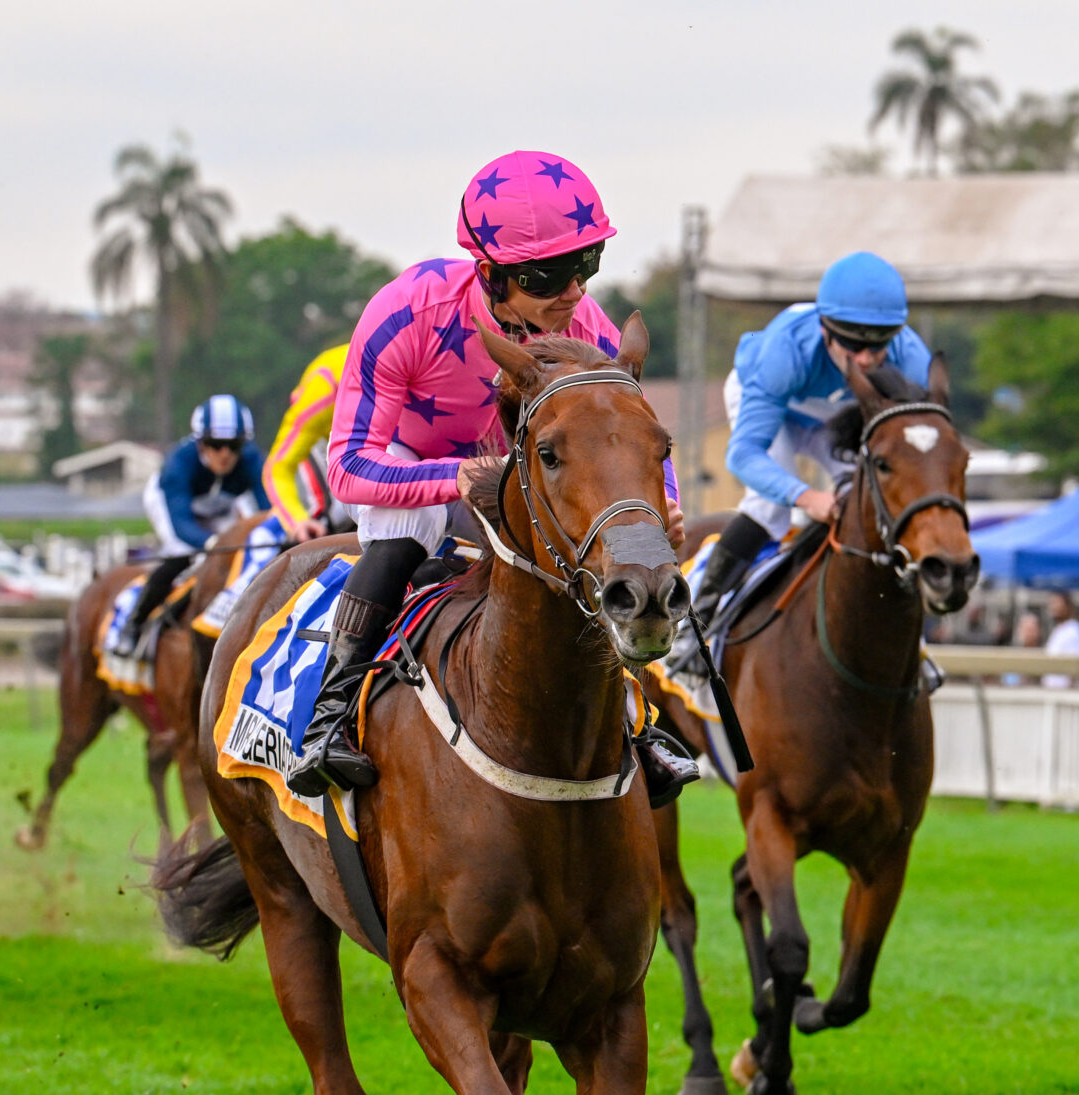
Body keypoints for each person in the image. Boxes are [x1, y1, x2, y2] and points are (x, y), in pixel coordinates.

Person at [286, 149, 694, 801]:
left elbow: (630, 440)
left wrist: (664, 504)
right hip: (415, 467)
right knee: (408, 529)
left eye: (586, 265)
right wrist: (458, 476)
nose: (574, 292)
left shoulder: (586, 328)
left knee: (587, 552)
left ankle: (637, 721)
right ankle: (331, 713)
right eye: (549, 276)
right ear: (490, 274)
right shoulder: (406, 312)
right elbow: (348, 466)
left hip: (525, 478)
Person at [692, 253, 937, 623]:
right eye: (853, 345)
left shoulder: (912, 360)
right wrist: (806, 497)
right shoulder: (785, 352)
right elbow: (743, 455)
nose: (866, 360)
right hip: (771, 406)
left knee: (870, 494)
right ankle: (697, 618)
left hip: (833, 418)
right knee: (770, 508)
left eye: (877, 346)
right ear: (826, 330)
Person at [123, 395, 264, 643]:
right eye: (215, 444)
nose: (224, 454)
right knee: (184, 554)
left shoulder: (253, 460)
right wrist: (209, 542)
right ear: (200, 443)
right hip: (172, 505)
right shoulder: (178, 464)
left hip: (218, 506)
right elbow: (182, 525)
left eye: (234, 445)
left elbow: (270, 509)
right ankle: (134, 624)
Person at [261, 344, 348, 542]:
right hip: (321, 430)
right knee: (334, 514)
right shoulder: (322, 393)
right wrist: (297, 521)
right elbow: (277, 469)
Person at [1040, 592, 1079, 690]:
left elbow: (1075, 666)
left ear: (1067, 606)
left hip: (1063, 692)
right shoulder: (1059, 629)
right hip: (1051, 691)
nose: (1052, 607)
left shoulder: (1074, 630)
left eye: (1056, 603)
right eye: (1051, 603)